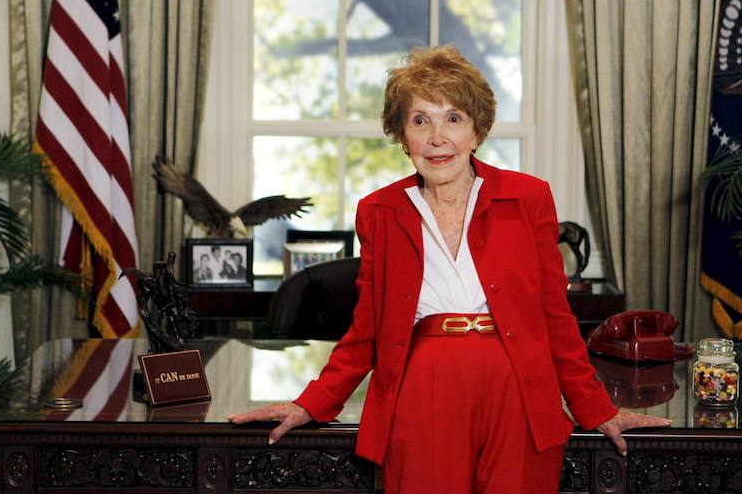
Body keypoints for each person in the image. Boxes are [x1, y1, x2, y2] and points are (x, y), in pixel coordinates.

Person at [228, 46, 669, 494]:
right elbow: (367, 331)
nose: (437, 137)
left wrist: (596, 408)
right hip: (422, 393)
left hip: (518, 391)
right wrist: (310, 404)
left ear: (476, 131)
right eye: (420, 120)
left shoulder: (528, 198)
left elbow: (555, 316)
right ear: (403, 136)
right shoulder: (379, 211)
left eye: (453, 118)